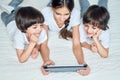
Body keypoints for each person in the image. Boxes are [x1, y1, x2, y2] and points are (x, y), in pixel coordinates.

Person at [41, 0, 90, 75]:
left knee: (86, 13)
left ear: (71, 11)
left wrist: (82, 63)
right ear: (52, 8)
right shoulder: (46, 12)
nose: (62, 19)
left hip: (73, 11)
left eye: (66, 14)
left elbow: (76, 44)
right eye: (58, 14)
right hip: (50, 6)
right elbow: (44, 43)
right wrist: (46, 60)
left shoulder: (75, 13)